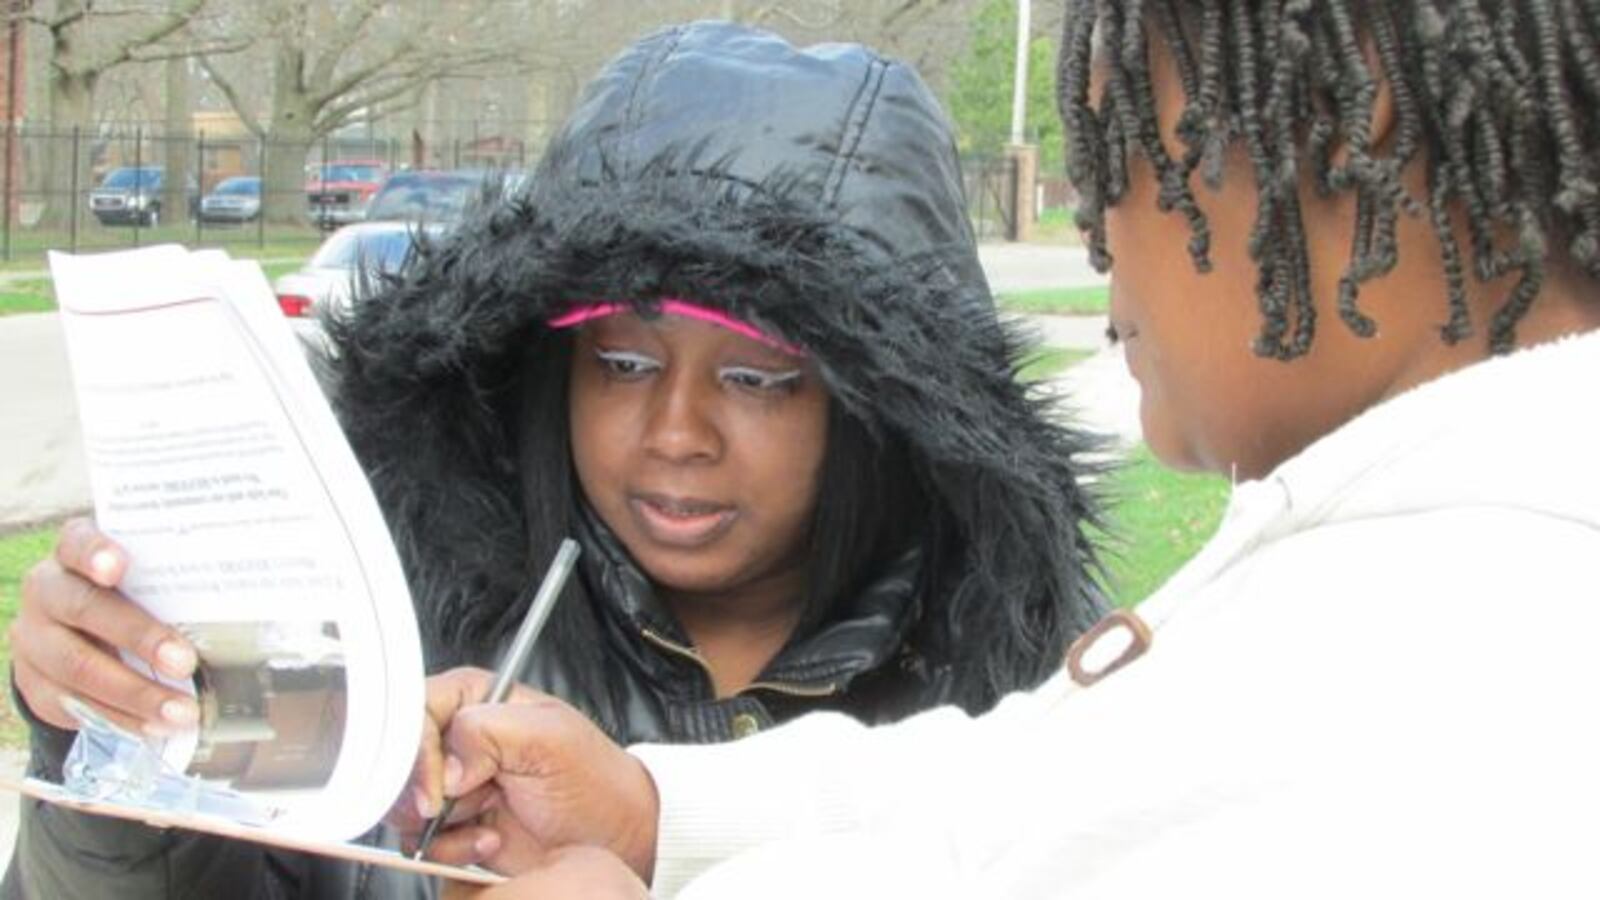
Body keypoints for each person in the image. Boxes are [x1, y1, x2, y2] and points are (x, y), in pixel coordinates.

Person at [393, 2, 1600, 896]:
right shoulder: (1400, 544)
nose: (1100, 251)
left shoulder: (1477, 654)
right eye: (622, 362)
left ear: (1347, 124)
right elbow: (1022, 787)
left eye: (1119, 165)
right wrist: (653, 811)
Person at [3, 20, 1107, 900]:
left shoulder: (1031, 714)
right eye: (623, 364)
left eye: (758, 378)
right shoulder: (379, 626)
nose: (676, 432)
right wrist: (110, 745)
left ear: (875, 408)